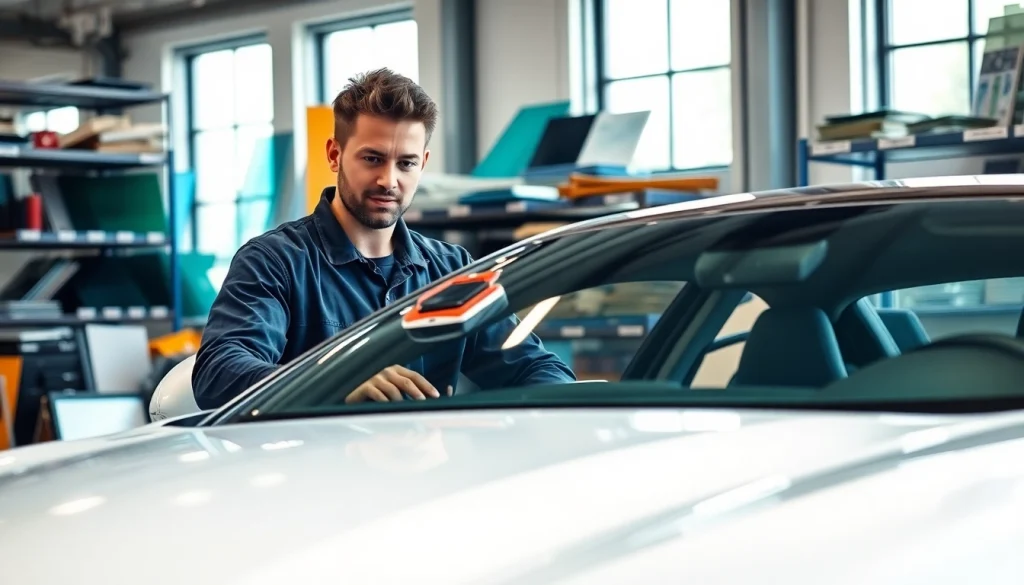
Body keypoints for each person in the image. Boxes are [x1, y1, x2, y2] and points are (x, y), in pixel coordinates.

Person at [191, 68, 575, 410]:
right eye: (372, 158)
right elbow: (219, 372)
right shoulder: (275, 261)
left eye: (405, 163)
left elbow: (533, 366)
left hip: (429, 476)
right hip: (311, 476)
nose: (389, 181)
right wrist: (333, 380)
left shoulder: (451, 271)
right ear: (334, 154)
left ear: (422, 164)